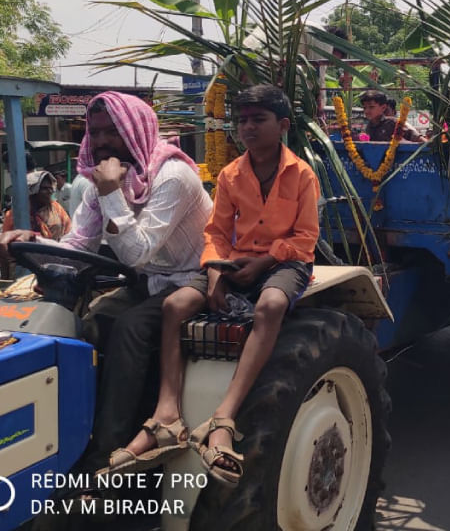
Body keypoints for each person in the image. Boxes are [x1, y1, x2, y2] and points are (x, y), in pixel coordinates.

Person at [104, 85, 319, 485]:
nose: (248, 128)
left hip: (283, 261)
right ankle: (167, 412)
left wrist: (264, 262)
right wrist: (217, 271)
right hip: (233, 262)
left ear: (282, 125)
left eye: (259, 119)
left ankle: (225, 417)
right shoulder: (230, 174)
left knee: (270, 306)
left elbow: (306, 238)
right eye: (242, 120)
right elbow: (216, 232)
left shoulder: (302, 174)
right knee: (175, 305)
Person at [0, 91, 212, 476]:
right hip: (146, 283)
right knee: (88, 324)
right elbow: (78, 244)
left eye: (114, 130)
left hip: (192, 282)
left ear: (136, 129)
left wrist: (111, 192)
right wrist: (28, 242)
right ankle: (67, 435)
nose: (104, 140)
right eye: (96, 132)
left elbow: (136, 253)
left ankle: (105, 458)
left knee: (128, 329)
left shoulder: (173, 177)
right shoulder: (99, 182)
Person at [0, 170, 70, 239]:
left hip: (56, 248)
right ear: (33, 191)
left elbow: (68, 231)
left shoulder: (57, 208)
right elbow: (7, 237)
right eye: (44, 188)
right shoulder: (17, 214)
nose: (50, 191)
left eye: (50, 188)